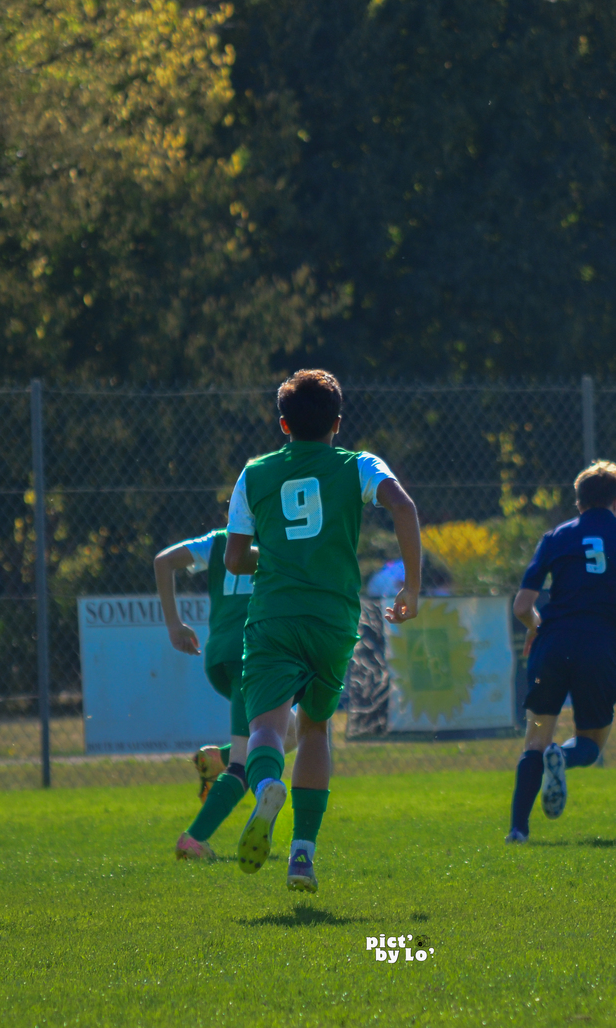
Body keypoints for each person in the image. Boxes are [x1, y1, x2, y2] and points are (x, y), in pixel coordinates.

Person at [224, 369, 423, 893]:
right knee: (315, 728)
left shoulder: (254, 473)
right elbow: (403, 505)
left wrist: (280, 555)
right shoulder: (358, 464)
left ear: (283, 424)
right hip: (333, 618)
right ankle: (303, 857)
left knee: (267, 728)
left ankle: (266, 788)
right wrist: (412, 586)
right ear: (337, 423)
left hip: (274, 616)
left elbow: (235, 558)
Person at [505, 461, 616, 844]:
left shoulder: (556, 537)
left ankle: (518, 830)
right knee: (590, 744)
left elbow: (522, 606)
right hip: (599, 647)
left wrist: (536, 628)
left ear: (579, 502)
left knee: (535, 739)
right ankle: (563, 757)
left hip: (553, 645)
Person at [153, 525, 298, 861]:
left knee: (292, 732)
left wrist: (174, 624)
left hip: (220, 656)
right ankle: (194, 839)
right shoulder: (282, 540)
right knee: (243, 764)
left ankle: (218, 758)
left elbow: (163, 561)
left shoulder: (219, 541)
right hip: (255, 655)